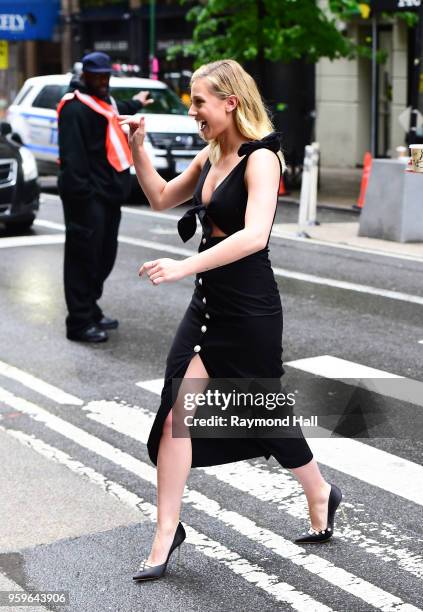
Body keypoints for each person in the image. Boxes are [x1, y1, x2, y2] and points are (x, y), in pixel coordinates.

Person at [120, 59, 343, 581]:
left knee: (263, 414)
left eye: (199, 102)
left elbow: (254, 235)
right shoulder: (211, 153)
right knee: (178, 411)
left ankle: (319, 490)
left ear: (231, 102)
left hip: (249, 310)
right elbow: (158, 197)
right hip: (207, 304)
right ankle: (166, 531)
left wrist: (183, 266)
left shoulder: (260, 158)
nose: (192, 110)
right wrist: (137, 146)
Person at [57, 51, 153, 342]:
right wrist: (84, 197)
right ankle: (78, 322)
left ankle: (90, 306)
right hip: (87, 199)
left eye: (106, 76)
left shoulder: (104, 102)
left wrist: (137, 102)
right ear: (84, 75)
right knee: (82, 258)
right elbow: (72, 162)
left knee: (103, 256)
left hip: (108, 196)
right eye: (97, 76)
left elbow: (117, 110)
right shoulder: (74, 108)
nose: (102, 81)